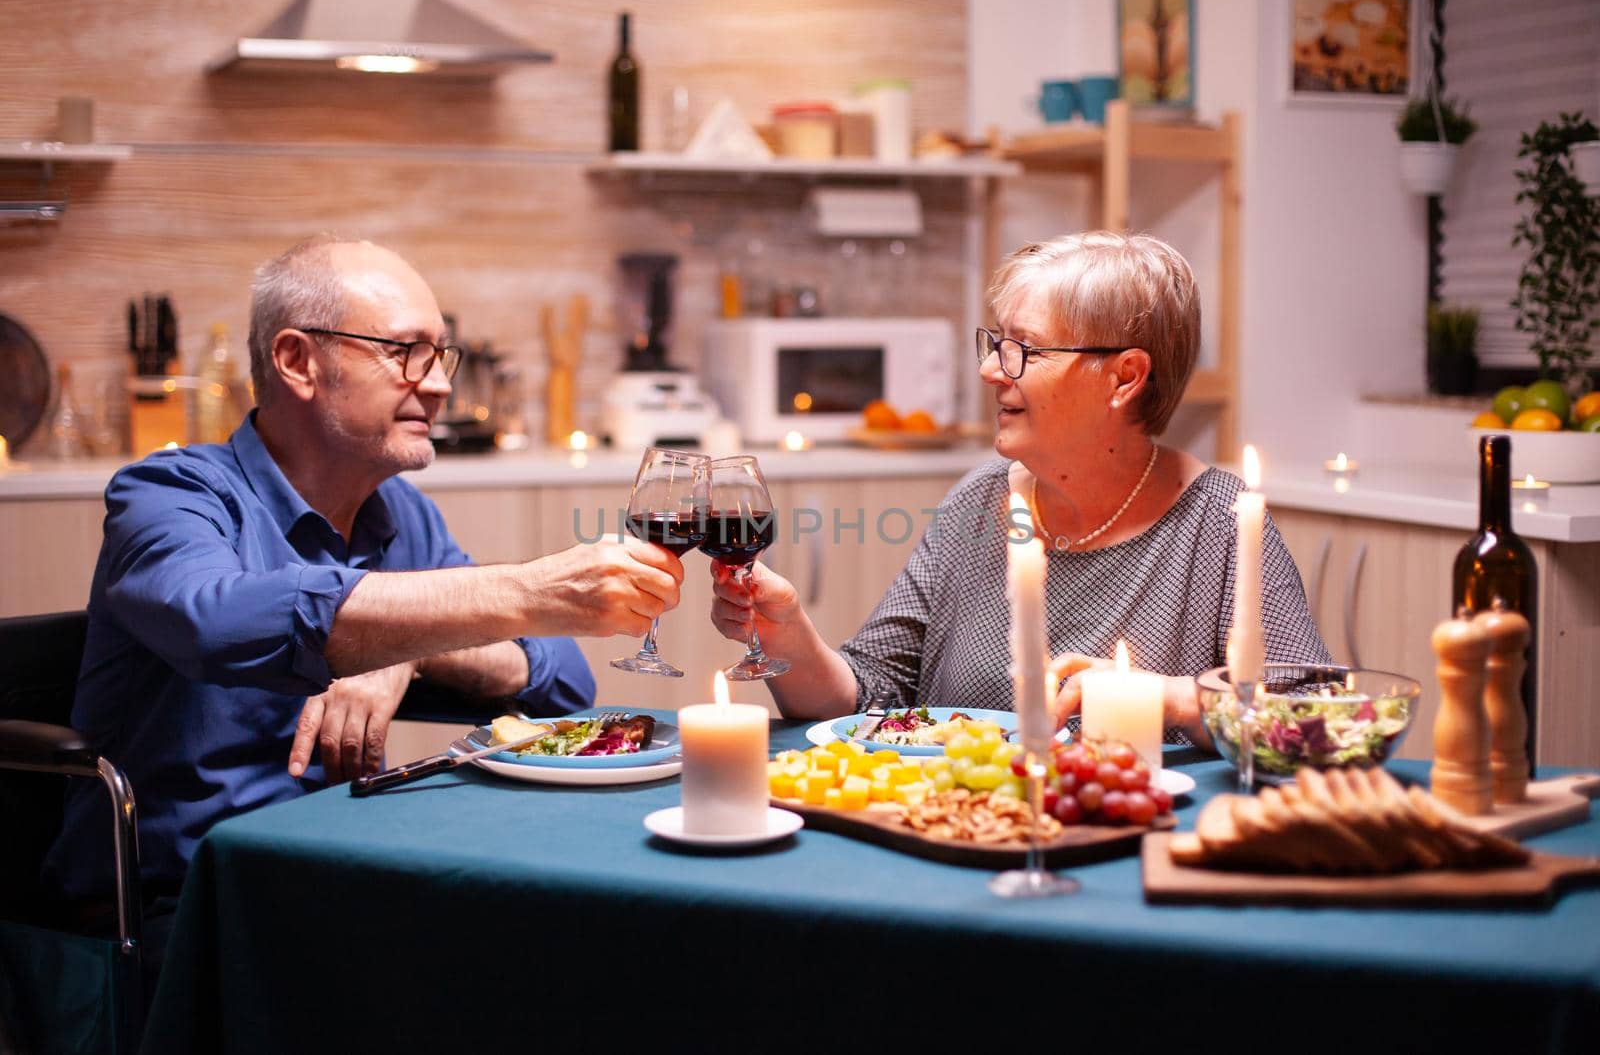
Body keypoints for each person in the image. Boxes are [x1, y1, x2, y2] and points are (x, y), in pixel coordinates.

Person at [45, 237, 684, 910]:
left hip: (333, 875)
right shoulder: (169, 492)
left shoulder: (400, 514)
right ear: (298, 361)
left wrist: (408, 658)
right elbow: (218, 622)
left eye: (440, 355)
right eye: (405, 352)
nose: (438, 383)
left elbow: (560, 683)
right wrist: (524, 592)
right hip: (175, 909)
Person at [710, 231, 1329, 744]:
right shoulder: (981, 500)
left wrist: (1174, 698)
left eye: (1024, 350)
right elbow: (870, 696)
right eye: (997, 344)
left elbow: (1321, 724)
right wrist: (786, 632)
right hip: (958, 839)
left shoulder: (1220, 521)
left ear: (1124, 377)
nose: (989, 370)